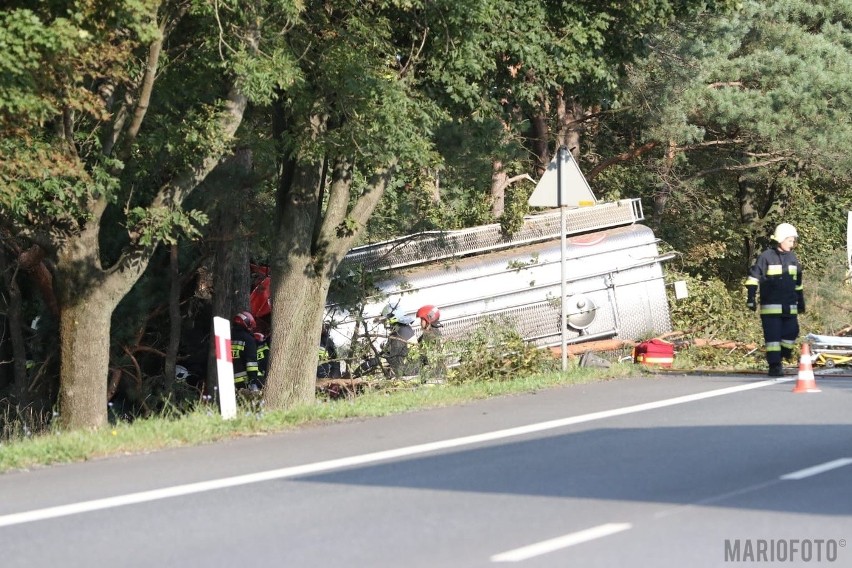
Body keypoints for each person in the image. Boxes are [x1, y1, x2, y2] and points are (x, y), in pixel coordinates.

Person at [745, 223, 805, 377]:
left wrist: (801, 301)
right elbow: (753, 278)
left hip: (789, 306)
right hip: (770, 308)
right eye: (790, 241)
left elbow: (798, 283)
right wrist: (751, 297)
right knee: (772, 339)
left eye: (793, 241)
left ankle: (784, 353)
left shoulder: (792, 258)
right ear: (781, 239)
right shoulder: (766, 257)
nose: (792, 244)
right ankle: (774, 366)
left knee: (792, 332)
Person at [231, 310, 262, 390]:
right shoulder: (248, 339)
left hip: (227, 380)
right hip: (244, 382)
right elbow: (251, 362)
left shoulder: (227, 336)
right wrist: (253, 380)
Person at [415, 304, 445, 379]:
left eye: (422, 319)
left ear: (427, 319)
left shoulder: (429, 336)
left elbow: (424, 357)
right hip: (439, 372)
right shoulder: (436, 332)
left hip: (433, 375)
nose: (420, 323)